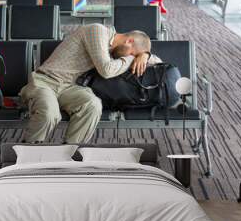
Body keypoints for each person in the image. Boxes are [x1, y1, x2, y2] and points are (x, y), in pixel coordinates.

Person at [20, 24, 158, 144]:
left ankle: (70, 152)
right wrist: (131, 59)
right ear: (129, 41)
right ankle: (27, 154)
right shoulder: (96, 31)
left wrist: (145, 56)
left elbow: (158, 62)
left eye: (132, 56)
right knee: (49, 114)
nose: (127, 58)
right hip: (45, 81)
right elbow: (106, 70)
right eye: (131, 54)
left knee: (93, 105)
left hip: (69, 87)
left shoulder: (114, 51)